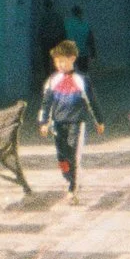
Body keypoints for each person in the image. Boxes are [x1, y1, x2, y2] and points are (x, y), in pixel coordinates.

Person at [37, 38, 103, 203]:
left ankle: (73, 188)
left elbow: (92, 101)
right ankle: (69, 178)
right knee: (62, 157)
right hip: (58, 124)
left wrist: (98, 120)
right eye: (56, 62)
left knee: (73, 154)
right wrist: (43, 122)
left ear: (72, 58)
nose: (59, 65)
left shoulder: (82, 79)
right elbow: (46, 104)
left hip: (76, 123)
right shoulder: (53, 80)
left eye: (62, 61)